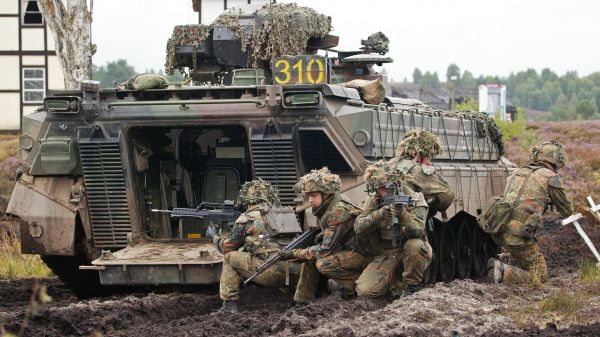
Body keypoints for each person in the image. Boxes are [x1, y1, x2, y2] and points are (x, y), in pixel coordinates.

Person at [215, 179, 312, 313]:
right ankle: (290, 296)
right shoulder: (285, 214)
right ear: (268, 197)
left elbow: (228, 248)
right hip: (296, 272)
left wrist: (215, 238)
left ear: (247, 199)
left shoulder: (248, 218)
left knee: (229, 258)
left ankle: (229, 306)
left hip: (270, 272)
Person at [487, 141, 573, 284]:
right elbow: (567, 210)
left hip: (500, 229)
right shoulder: (551, 177)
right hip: (519, 234)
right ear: (556, 160)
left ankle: (507, 263)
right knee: (540, 276)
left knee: (519, 252)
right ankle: (502, 271)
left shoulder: (517, 172)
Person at [279, 167, 366, 299]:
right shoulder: (329, 203)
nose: (310, 200)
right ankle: (303, 300)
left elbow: (324, 250)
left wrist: (294, 253)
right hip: (345, 249)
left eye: (314, 195)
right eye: (308, 196)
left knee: (323, 263)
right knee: (310, 257)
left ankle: (357, 285)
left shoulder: (338, 211)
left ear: (326, 194)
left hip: (360, 253)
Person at [354, 160, 432, 297]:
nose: (383, 192)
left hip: (408, 249)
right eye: (380, 188)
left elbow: (418, 231)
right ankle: (394, 282)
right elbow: (358, 227)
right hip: (387, 253)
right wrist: (379, 214)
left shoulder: (414, 198)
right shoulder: (374, 200)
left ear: (397, 183)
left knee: (415, 245)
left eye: (386, 187)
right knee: (365, 291)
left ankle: (410, 287)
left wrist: (402, 213)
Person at [389, 130, 455, 214]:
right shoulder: (418, 170)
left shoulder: (390, 164)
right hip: (407, 222)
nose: (429, 160)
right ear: (420, 154)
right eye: (428, 156)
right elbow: (447, 196)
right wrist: (427, 203)